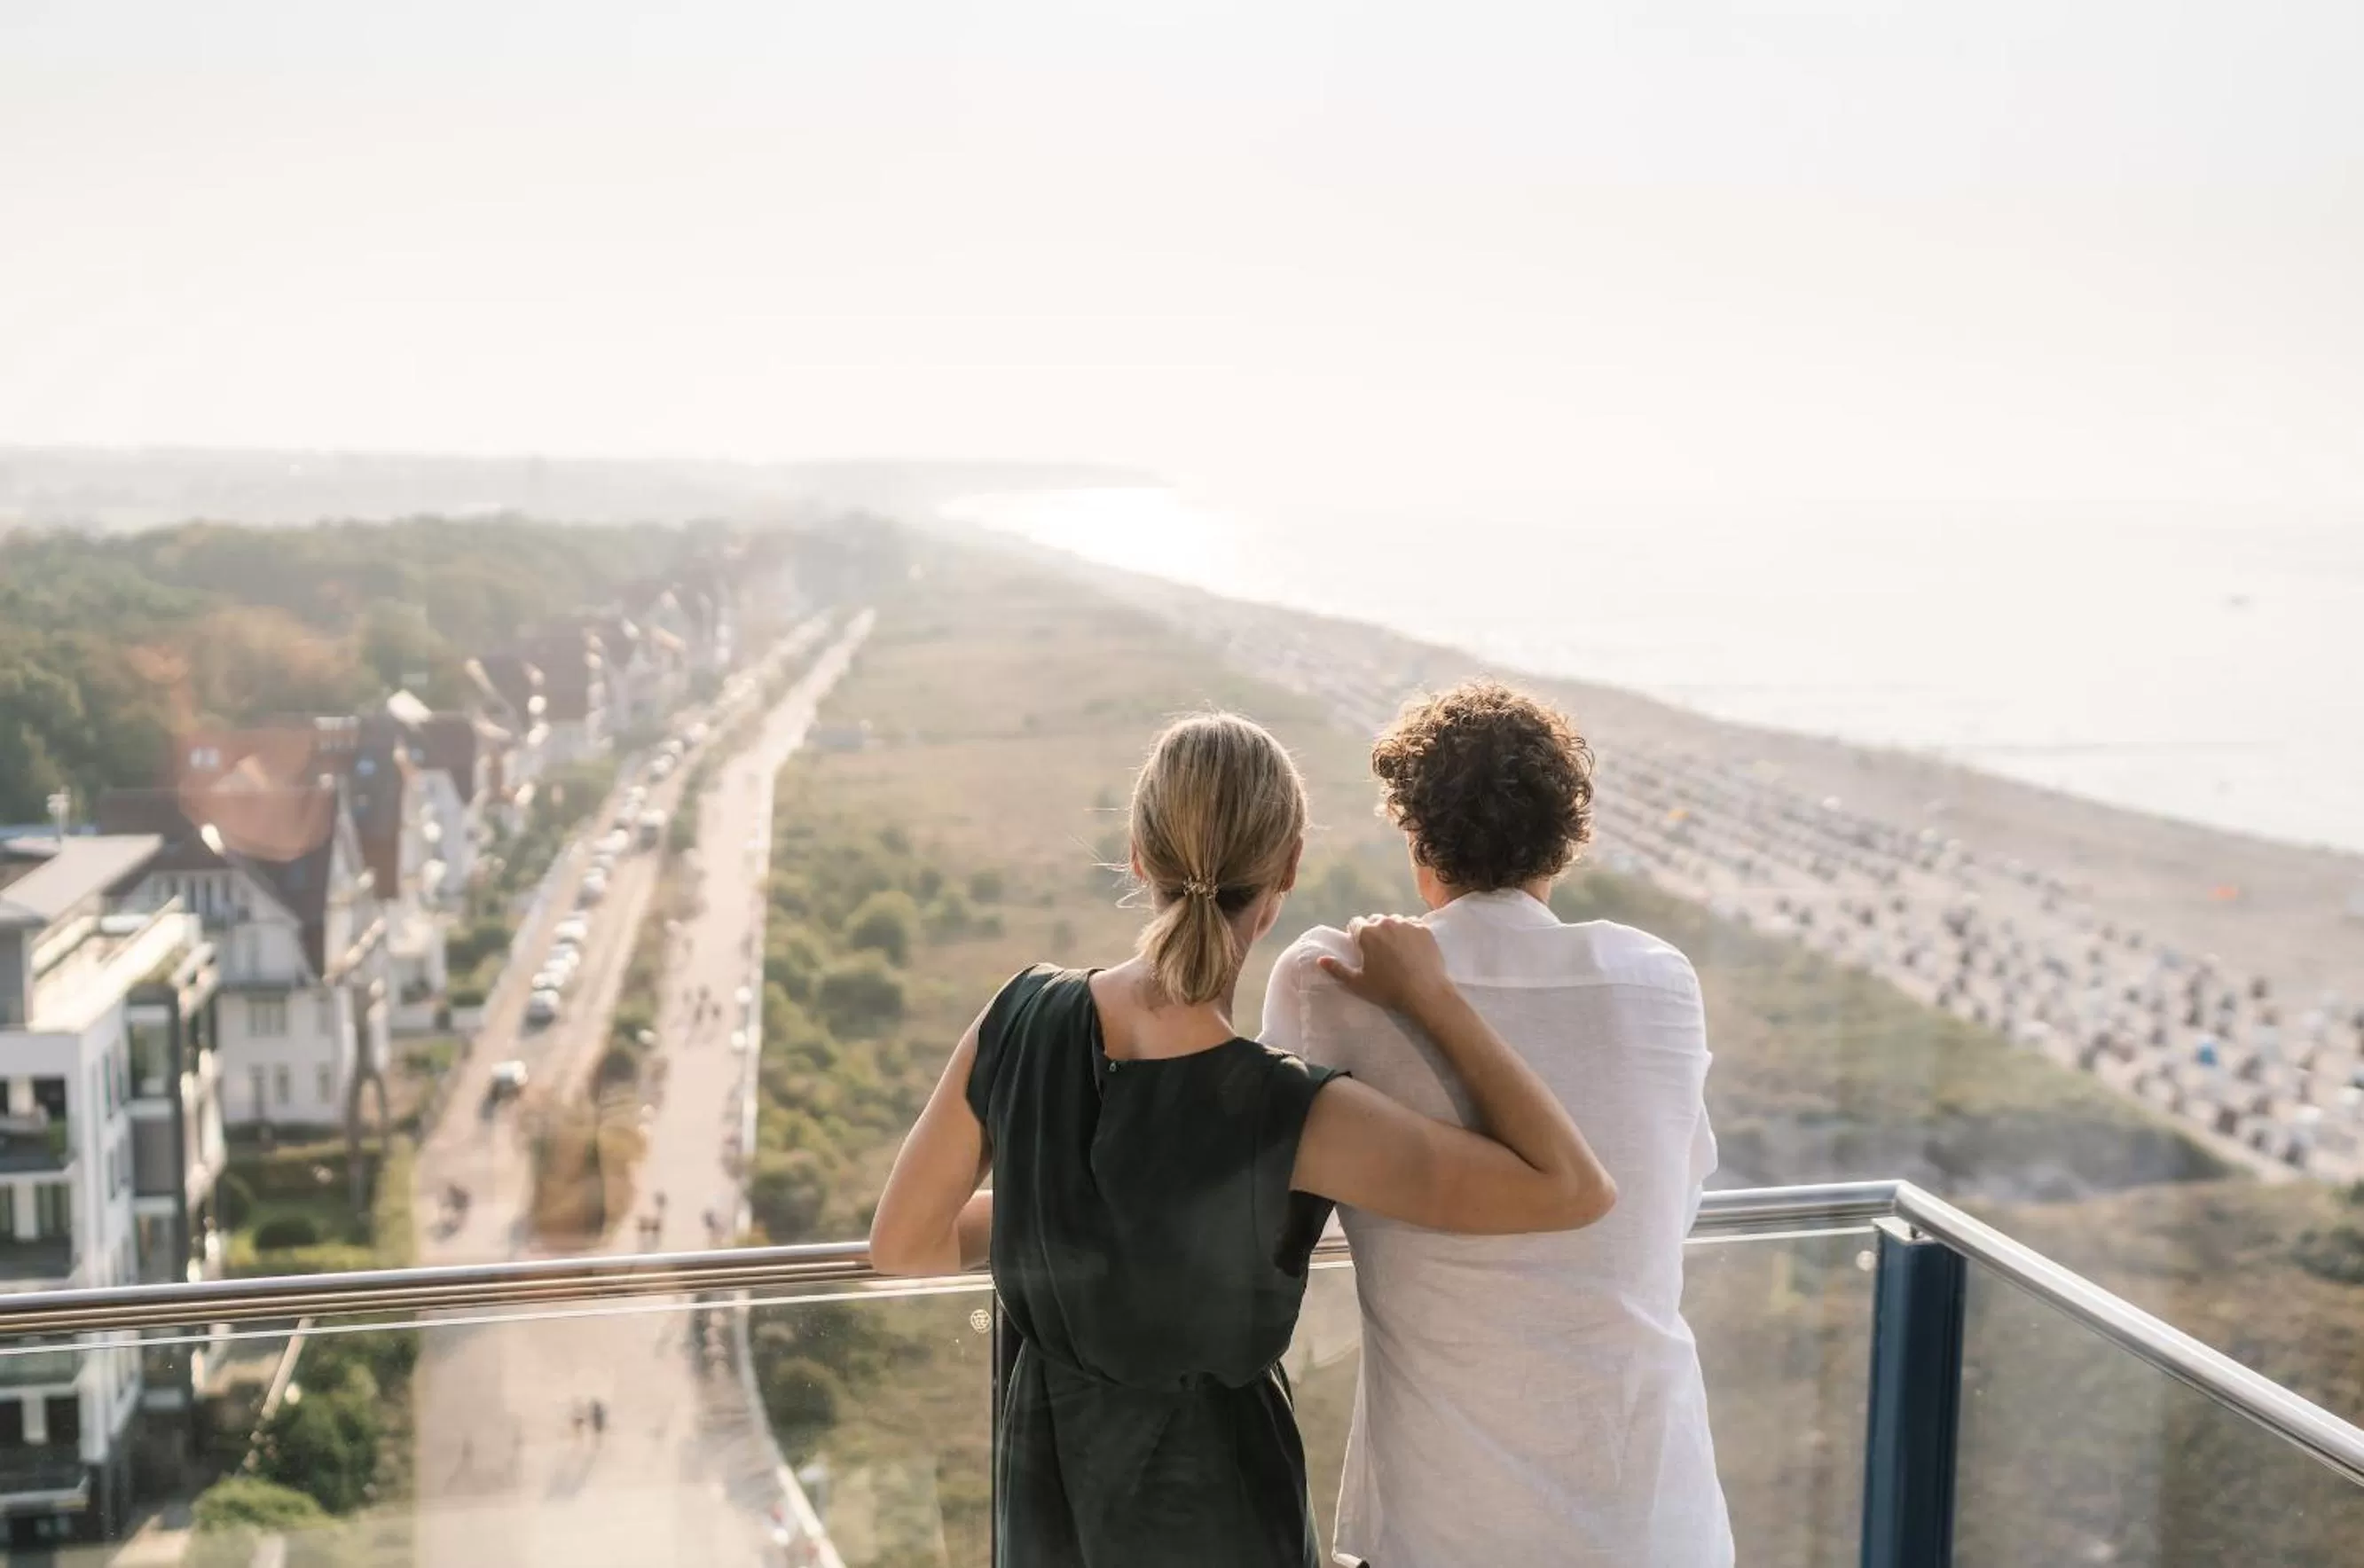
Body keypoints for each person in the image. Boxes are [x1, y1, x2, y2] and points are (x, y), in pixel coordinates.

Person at [871, 712, 1616, 1568]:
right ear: (1289, 867)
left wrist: (1070, 1204)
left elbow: (904, 1244)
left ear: (1138, 853)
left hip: (1050, 1503)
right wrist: (1431, 1001)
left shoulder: (1019, 1019)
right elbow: (1572, 1189)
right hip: (1222, 1510)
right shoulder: (1294, 1116)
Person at [1262, 681, 1734, 1567]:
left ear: (1415, 834)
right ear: (1565, 837)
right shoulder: (1656, 979)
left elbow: (1263, 1202)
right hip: (1652, 1510)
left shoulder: (1329, 978)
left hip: (1447, 1522)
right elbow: (1668, 1206)